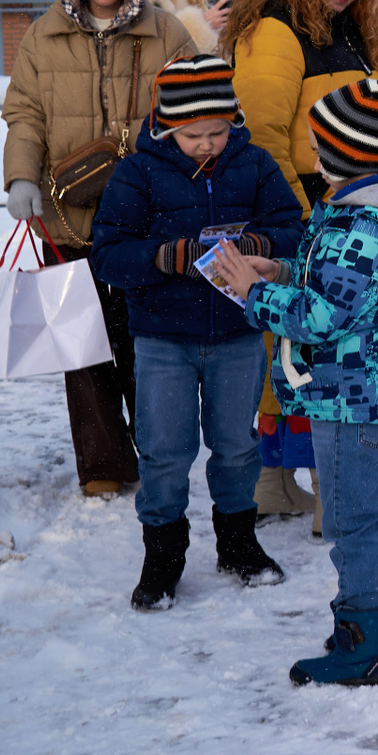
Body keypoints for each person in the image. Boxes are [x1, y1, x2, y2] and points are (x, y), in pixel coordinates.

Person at [210, 67, 378, 688]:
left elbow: (324, 316)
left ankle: (360, 643)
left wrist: (254, 292)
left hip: (346, 399)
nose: (313, 159)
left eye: (319, 148)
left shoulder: (362, 227)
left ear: (347, 155)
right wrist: (284, 271)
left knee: (351, 521)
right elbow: (347, 291)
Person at [91, 55, 305, 609]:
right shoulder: (138, 172)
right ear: (167, 128)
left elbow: (293, 231)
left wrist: (256, 247)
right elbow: (108, 255)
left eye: (218, 130)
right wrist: (166, 256)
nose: (207, 143)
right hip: (162, 338)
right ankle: (163, 555)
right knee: (164, 449)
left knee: (236, 445)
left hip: (237, 333)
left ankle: (238, 543)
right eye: (193, 135)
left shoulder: (254, 163)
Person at [2, 0, 196, 497]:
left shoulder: (167, 33)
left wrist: (143, 142)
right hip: (67, 216)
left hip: (147, 216)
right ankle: (103, 466)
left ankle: (157, 451)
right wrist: (20, 177)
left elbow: (198, 107)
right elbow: (25, 112)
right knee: (81, 344)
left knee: (146, 341)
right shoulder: (43, 35)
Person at [221, 0, 378, 526]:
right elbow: (261, 133)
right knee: (307, 344)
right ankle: (311, 482)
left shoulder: (344, 30)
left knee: (318, 341)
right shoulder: (275, 29)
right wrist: (299, 213)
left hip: (338, 205)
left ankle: (284, 480)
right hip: (301, 206)